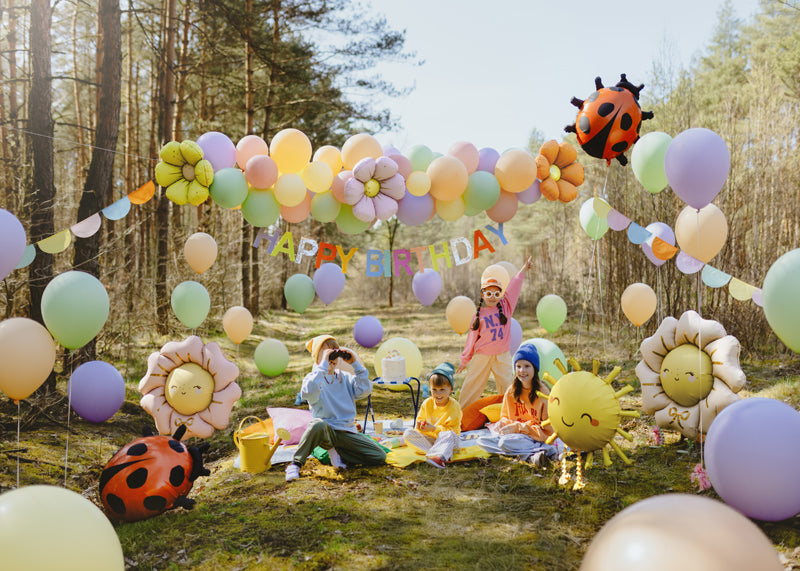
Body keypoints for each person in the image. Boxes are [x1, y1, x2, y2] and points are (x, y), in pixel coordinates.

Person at [285, 339, 386, 482]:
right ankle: (295, 464)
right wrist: (323, 364)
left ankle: (336, 451)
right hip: (326, 431)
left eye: (334, 352)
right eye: (327, 352)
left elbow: (365, 390)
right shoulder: (313, 378)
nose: (332, 357)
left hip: (347, 433)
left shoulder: (345, 377)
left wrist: (355, 364)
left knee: (379, 456)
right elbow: (309, 393)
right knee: (316, 424)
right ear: (317, 357)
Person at [456, 257, 532, 409]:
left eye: (496, 294)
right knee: (472, 385)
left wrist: (523, 270)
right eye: (488, 294)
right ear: (482, 295)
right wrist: (464, 360)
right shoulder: (478, 315)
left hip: (502, 355)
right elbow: (471, 340)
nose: (492, 297)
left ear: (501, 295)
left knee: (508, 385)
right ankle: (461, 414)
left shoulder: (506, 306)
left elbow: (514, 286)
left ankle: (513, 413)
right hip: (481, 356)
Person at [476, 343, 563, 466]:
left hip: (534, 437)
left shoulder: (542, 393)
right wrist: (502, 425)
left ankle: (535, 452)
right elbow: (505, 417)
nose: (522, 371)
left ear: (535, 368)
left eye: (527, 366)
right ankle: (534, 456)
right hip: (514, 436)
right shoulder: (511, 390)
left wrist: (518, 428)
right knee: (481, 441)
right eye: (518, 366)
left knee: (503, 444)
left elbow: (547, 430)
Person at [403, 362, 462, 469]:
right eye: (434, 390)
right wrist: (421, 426)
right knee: (408, 434)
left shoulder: (454, 406)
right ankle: (439, 454)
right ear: (430, 388)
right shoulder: (427, 403)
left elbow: (453, 431)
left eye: (442, 390)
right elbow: (419, 424)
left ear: (451, 389)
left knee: (448, 434)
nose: (438, 394)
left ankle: (440, 456)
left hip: (449, 441)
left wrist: (434, 428)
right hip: (431, 440)